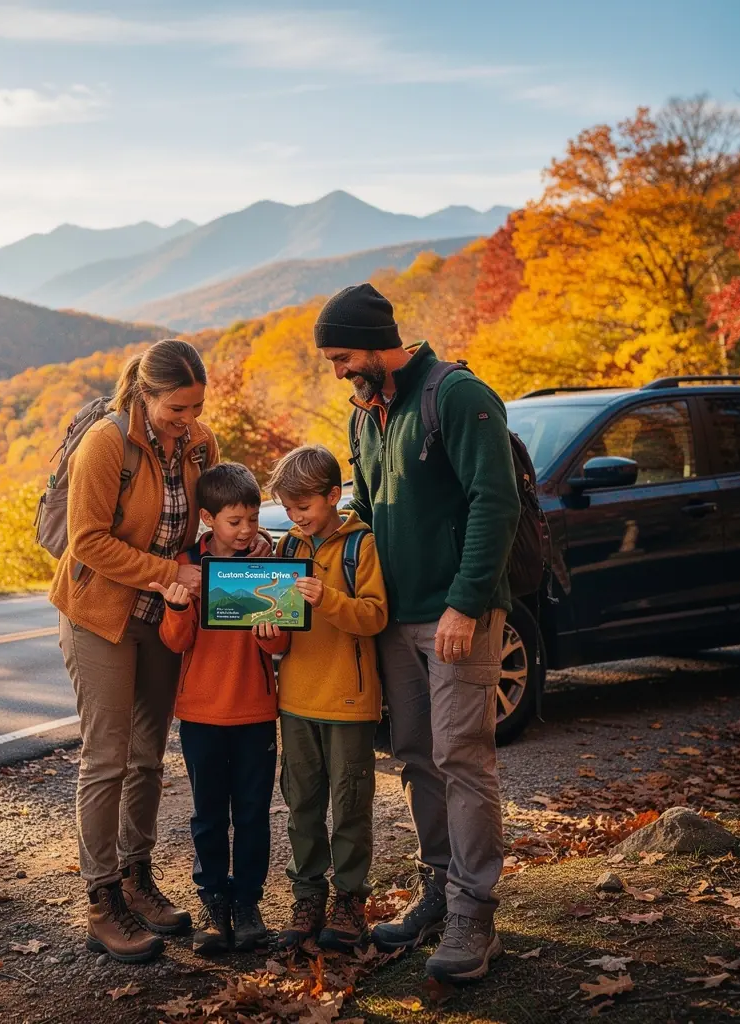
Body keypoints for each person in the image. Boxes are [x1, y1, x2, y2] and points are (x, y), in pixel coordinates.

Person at [314, 283, 520, 982]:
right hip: (394, 619)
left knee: (463, 757)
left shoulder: (455, 396)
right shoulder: (365, 415)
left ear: (375, 340)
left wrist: (465, 603)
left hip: (458, 617)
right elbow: (366, 512)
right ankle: (440, 888)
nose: (337, 370)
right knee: (414, 756)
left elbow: (497, 501)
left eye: (342, 356)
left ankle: (474, 914)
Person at [49, 339, 271, 964]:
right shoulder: (104, 445)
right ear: (145, 396)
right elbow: (87, 541)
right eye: (177, 407)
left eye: (197, 405)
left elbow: (212, 518)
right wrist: (165, 572)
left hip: (165, 618)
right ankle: (101, 899)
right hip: (101, 615)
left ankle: (135, 876)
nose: (189, 418)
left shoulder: (201, 444)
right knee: (107, 757)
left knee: (148, 757)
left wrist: (243, 553)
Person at [149, 463, 288, 956]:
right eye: (235, 521)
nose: (246, 530)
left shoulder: (269, 563)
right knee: (209, 815)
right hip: (202, 713)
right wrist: (179, 606)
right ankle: (213, 903)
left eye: (252, 518)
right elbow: (175, 641)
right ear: (209, 519)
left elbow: (282, 642)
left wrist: (273, 637)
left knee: (252, 813)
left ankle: (248, 904)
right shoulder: (188, 564)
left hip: (254, 712)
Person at [256, 445, 388, 953]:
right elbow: (279, 633)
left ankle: (350, 899)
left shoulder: (361, 547)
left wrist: (328, 599)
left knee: (350, 804)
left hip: (349, 701)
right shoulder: (287, 549)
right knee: (301, 804)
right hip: (295, 701)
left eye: (304, 508)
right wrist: (267, 632)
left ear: (334, 496)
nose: (296, 518)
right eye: (289, 510)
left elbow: (375, 616)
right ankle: (306, 895)